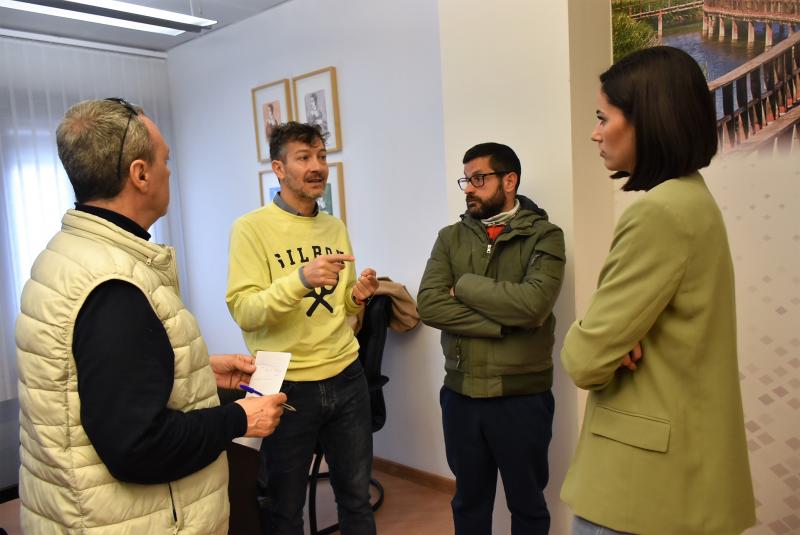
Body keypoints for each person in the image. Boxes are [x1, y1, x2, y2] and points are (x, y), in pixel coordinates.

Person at [15, 99, 287, 534]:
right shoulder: (115, 286)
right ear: (140, 174)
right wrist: (242, 418)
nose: (169, 172)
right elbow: (137, 445)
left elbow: (100, 379)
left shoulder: (66, 257)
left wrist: (196, 369)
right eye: (165, 161)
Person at [560, 46, 756, 535]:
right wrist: (616, 337)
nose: (595, 131)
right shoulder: (692, 198)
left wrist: (599, 336)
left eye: (604, 117)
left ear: (647, 120)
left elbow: (584, 360)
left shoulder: (658, 213)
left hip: (640, 488)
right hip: (679, 475)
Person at [226, 121, 378, 535]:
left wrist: (358, 296)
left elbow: (338, 307)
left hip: (347, 378)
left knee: (356, 501)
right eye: (304, 157)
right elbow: (245, 310)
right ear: (279, 168)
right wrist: (300, 280)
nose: (317, 167)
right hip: (286, 387)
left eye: (322, 157)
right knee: (284, 509)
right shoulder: (251, 229)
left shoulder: (334, 227)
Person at [417, 142, 566, 535]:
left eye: (479, 178)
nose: (469, 187)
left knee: (528, 505)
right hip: (461, 396)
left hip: (521, 398)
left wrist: (463, 285)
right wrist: (503, 323)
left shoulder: (545, 236)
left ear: (510, 180)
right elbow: (430, 306)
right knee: (469, 503)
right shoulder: (450, 238)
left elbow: (533, 305)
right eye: (467, 179)